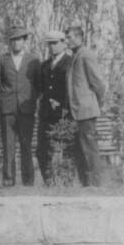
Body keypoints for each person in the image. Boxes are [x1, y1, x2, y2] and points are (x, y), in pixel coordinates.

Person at [0, 26, 41, 187]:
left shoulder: (33, 60)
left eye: (19, 39)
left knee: (26, 144)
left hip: (26, 109)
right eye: (13, 40)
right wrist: (3, 98)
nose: (16, 43)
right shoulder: (1, 60)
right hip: (7, 109)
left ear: (24, 41)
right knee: (8, 145)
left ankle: (28, 181)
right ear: (9, 42)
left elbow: (38, 84)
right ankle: (8, 180)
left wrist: (31, 98)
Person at [65, 26, 107, 187]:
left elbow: (99, 83)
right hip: (76, 111)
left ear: (79, 38)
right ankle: (86, 184)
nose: (67, 41)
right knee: (79, 150)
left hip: (86, 111)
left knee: (90, 149)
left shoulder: (86, 55)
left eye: (69, 37)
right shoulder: (74, 56)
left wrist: (97, 103)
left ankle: (97, 185)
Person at [34, 31, 71, 185]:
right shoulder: (44, 65)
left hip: (64, 114)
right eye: (49, 43)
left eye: (55, 43)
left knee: (66, 150)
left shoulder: (71, 63)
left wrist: (63, 105)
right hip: (46, 114)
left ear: (63, 43)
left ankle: (66, 182)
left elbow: (72, 89)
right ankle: (49, 182)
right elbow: (40, 89)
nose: (52, 46)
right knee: (42, 151)